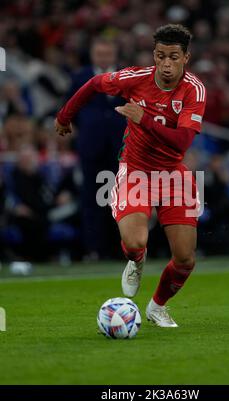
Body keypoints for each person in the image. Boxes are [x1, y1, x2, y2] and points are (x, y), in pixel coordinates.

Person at [55, 24, 207, 327]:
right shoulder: (136, 78)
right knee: (136, 242)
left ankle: (156, 307)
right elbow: (95, 82)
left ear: (185, 58)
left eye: (173, 57)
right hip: (135, 171)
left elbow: (182, 142)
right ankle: (136, 262)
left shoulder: (194, 89)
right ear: (154, 54)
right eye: (161, 56)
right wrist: (64, 116)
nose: (166, 64)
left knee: (185, 259)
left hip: (173, 176)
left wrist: (143, 118)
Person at [66, 37, 125, 259]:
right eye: (99, 53)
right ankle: (93, 249)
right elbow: (70, 108)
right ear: (92, 55)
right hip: (91, 149)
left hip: (121, 149)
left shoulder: (125, 76)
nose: (103, 58)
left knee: (120, 199)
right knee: (92, 199)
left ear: (114, 55)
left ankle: (121, 248)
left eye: (107, 54)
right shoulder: (80, 77)